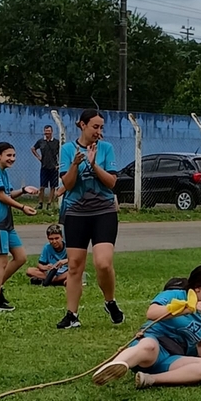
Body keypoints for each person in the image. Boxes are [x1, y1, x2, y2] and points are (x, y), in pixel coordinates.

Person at [92, 265, 201, 389]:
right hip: (153, 346)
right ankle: (114, 366)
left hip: (172, 358)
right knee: (148, 346)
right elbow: (152, 313)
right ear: (198, 287)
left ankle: (149, 379)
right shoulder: (174, 295)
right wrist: (187, 308)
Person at [57, 108, 123, 330]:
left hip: (103, 211)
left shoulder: (106, 148)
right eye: (95, 126)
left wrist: (94, 164)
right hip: (76, 213)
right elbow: (68, 185)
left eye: (101, 127)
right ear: (82, 125)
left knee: (103, 263)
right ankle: (72, 315)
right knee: (75, 265)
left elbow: (111, 183)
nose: (99, 131)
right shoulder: (68, 150)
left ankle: (110, 301)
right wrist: (75, 164)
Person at [0, 142, 38, 312]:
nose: (12, 159)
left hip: (6, 224)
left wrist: (23, 190)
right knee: (1, 261)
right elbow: (1, 196)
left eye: (14, 155)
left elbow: (8, 194)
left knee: (20, 257)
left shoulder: (3, 172)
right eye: (8, 155)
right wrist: (22, 207)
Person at [31, 124, 59, 211]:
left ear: (52, 132)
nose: (47, 133)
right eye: (46, 131)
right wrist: (39, 157)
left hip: (54, 167)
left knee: (53, 186)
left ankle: (49, 203)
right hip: (44, 166)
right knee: (42, 186)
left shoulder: (56, 142)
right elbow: (33, 148)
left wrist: (58, 164)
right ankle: (40, 203)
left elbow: (60, 152)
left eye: (49, 131)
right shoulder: (41, 141)